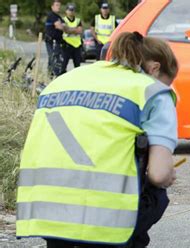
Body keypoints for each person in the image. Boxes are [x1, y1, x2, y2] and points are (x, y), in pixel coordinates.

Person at [16, 31, 179, 248]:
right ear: (154, 68)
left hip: (47, 210)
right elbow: (159, 175)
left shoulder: (63, 81)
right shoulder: (152, 91)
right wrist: (167, 172)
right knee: (158, 193)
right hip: (106, 218)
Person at [60, 3, 83, 74]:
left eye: (72, 10)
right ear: (66, 11)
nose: (71, 11)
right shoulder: (63, 20)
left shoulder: (78, 20)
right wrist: (74, 30)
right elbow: (64, 30)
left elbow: (79, 31)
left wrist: (69, 29)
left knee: (77, 66)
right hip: (66, 44)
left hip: (77, 45)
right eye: (69, 10)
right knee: (63, 64)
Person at [45, 0, 65, 77]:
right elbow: (60, 26)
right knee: (53, 57)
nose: (58, 7)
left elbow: (64, 26)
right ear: (52, 7)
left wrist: (63, 26)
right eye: (57, 5)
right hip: (51, 41)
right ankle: (54, 74)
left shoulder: (58, 17)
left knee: (55, 57)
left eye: (59, 5)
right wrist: (63, 26)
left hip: (57, 41)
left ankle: (50, 75)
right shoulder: (51, 15)